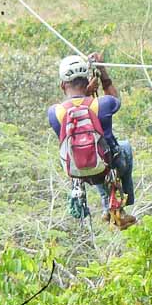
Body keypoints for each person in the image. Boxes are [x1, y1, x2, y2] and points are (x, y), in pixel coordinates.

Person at [47, 54, 137, 228]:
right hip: (107, 167)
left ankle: (107, 206)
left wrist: (87, 92)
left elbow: (76, 109)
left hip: (77, 170)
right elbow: (115, 99)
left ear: (62, 85)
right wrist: (102, 72)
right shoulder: (101, 104)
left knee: (93, 161)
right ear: (87, 81)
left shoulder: (55, 112)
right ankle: (121, 206)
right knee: (123, 148)